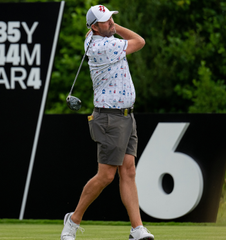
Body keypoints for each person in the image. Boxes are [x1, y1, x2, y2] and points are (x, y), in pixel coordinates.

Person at [61, 5, 155, 240]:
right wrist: (115, 29)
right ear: (94, 27)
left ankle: (137, 229)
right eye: (106, 21)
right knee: (106, 176)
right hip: (110, 117)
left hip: (125, 115)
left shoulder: (96, 37)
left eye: (112, 17)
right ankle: (72, 221)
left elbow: (97, 32)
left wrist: (108, 26)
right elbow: (140, 41)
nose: (111, 22)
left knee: (129, 171)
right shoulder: (104, 46)